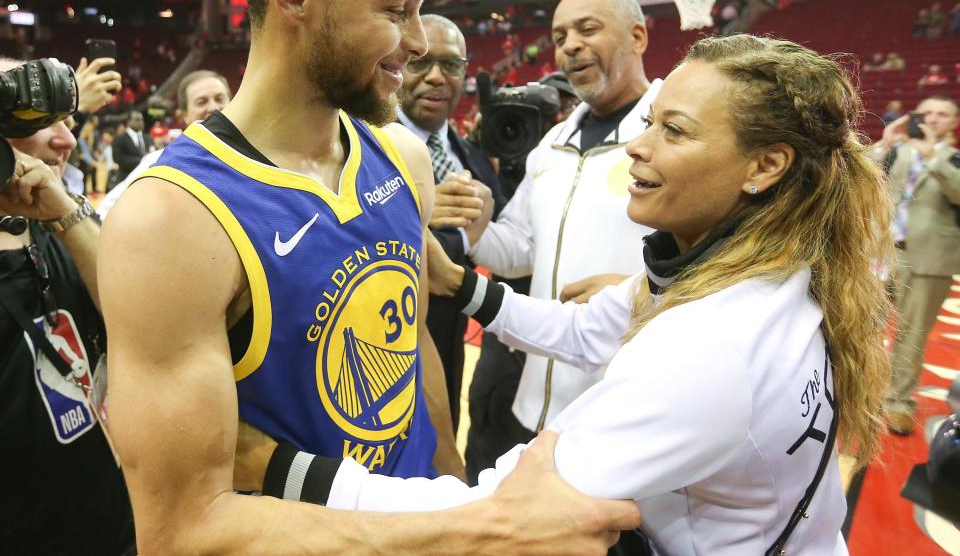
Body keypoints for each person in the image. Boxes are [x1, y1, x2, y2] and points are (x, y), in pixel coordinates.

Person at [97, 0, 637, 555]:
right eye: (397, 10)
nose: (416, 43)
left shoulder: (401, 158)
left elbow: (408, 343)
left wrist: (448, 480)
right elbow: (181, 528)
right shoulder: (170, 218)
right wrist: (474, 527)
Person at [243, 34, 892, 556]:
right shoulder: (769, 266)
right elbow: (587, 330)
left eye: (674, 130)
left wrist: (272, 466)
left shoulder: (707, 346)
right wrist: (458, 284)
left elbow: (494, 512)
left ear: (765, 166)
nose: (637, 145)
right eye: (651, 122)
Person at [441, 0, 662, 477]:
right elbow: (519, 251)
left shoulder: (673, 133)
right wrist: (478, 227)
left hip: (622, 408)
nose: (570, 46)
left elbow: (723, 258)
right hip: (536, 402)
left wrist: (653, 294)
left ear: (638, 37)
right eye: (560, 36)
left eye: (588, 29)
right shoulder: (551, 146)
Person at [0, 62, 133, 554]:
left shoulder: (64, 224)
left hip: (115, 522)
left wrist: (65, 215)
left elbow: (135, 318)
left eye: (69, 122)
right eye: (41, 123)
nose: (68, 142)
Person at [395, 14, 505, 431]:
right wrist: (413, 215)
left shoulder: (475, 159)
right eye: (420, 62)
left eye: (453, 65)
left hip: (451, 343)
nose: (438, 78)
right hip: (386, 353)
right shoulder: (357, 143)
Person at [874, 95, 960, 435]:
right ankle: (856, 389)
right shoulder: (897, 151)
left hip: (929, 258)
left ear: (953, 122)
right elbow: (861, 175)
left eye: (943, 114)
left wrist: (932, 159)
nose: (933, 119)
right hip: (882, 250)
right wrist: (886, 142)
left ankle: (899, 401)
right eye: (927, 113)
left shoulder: (953, 158)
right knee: (863, 323)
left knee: (912, 334)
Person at [98, 70, 231, 219]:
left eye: (220, 99)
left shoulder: (257, 156)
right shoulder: (158, 161)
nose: (213, 107)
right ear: (184, 115)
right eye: (202, 101)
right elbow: (105, 213)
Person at [111, 110, 147, 183]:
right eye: (137, 120)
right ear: (128, 122)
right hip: (126, 178)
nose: (140, 122)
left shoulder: (147, 138)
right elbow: (118, 158)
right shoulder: (120, 139)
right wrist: (142, 160)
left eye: (142, 120)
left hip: (144, 179)